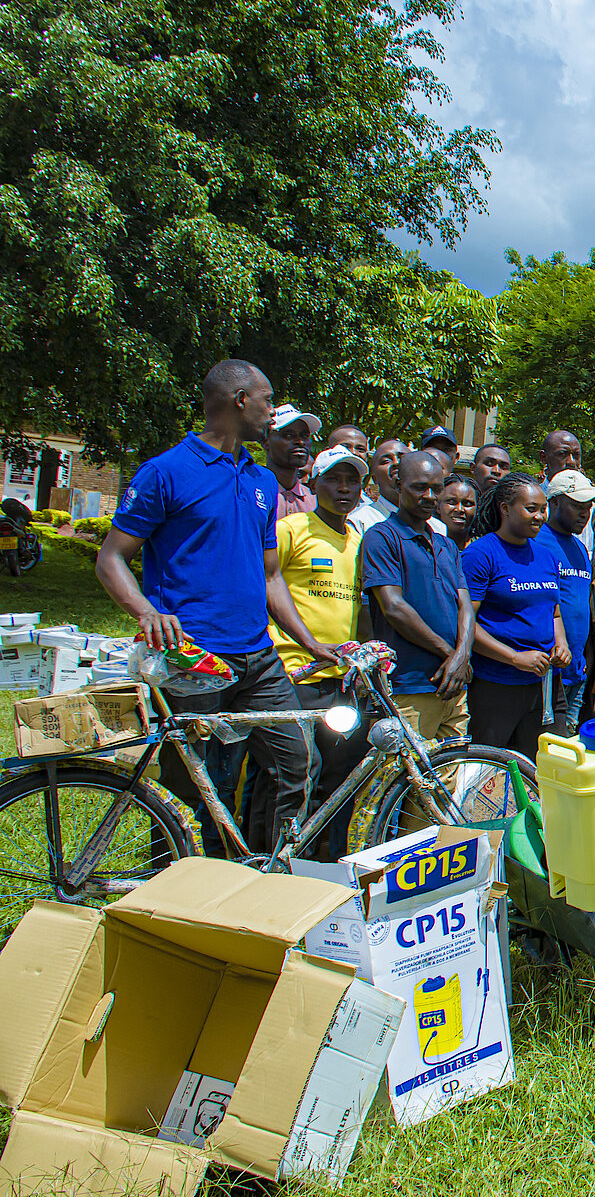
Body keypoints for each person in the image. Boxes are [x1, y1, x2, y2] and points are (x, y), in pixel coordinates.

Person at [95, 360, 320, 854]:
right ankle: (182, 876)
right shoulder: (166, 471)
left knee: (296, 760)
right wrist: (146, 612)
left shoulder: (262, 481)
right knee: (195, 788)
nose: (272, 411)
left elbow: (271, 576)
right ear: (240, 400)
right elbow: (110, 559)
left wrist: (309, 642)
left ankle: (265, 866)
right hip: (191, 658)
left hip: (258, 657)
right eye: (267, 400)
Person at [271, 445, 372, 858]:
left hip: (342, 680)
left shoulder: (359, 541)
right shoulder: (291, 529)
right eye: (333, 479)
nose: (344, 488)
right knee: (293, 775)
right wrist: (307, 644)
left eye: (353, 481)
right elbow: (266, 586)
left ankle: (327, 859)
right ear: (313, 483)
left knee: (340, 775)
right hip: (294, 673)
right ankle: (276, 858)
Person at [361, 451, 474, 740]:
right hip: (408, 685)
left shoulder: (447, 545)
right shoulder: (381, 537)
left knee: (454, 766)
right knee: (405, 768)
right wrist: (451, 655)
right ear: (399, 485)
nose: (429, 496)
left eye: (436, 489)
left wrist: (462, 656)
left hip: (454, 686)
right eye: (419, 487)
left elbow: (465, 605)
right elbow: (394, 607)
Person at [462, 473, 566, 760]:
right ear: (505, 508)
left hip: (544, 684)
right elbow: (465, 624)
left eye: (543, 509)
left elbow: (554, 612)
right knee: (488, 768)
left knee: (545, 767)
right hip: (497, 684)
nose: (540, 516)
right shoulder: (480, 554)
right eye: (531, 508)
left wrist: (562, 644)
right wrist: (514, 657)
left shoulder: (545, 556)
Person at [538, 470, 595, 733]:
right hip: (549, 670)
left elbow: (581, 605)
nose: (585, 514)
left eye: (588, 507)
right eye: (577, 506)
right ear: (553, 502)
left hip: (577, 669)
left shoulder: (579, 547)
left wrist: (586, 655)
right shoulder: (537, 542)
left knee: (569, 742)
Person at [265, 404, 321, 521]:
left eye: (305, 436)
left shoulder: (315, 502)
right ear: (266, 441)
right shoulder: (253, 495)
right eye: (289, 435)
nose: (300, 442)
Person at [438, 472, 479, 547]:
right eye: (452, 502)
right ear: (438, 507)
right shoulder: (425, 547)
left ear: (477, 509)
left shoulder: (483, 549)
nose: (459, 509)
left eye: (467, 504)